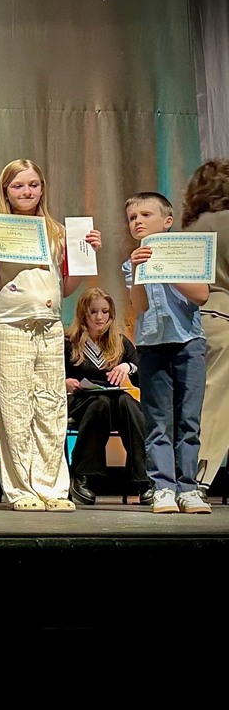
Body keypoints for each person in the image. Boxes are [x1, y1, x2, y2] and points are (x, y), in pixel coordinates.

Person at [0, 158, 102, 512]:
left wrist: (84, 253)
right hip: (10, 325)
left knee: (51, 407)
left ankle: (52, 488)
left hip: (49, 326)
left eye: (33, 184)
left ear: (42, 189)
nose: (27, 191)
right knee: (14, 408)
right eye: (18, 185)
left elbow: (67, 287)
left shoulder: (57, 232)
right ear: (6, 192)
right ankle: (22, 489)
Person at [124, 191, 210, 514]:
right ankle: (162, 486)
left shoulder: (187, 254)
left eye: (146, 215)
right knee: (158, 419)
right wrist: (139, 272)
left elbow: (201, 295)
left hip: (188, 341)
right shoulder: (132, 262)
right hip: (152, 345)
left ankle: (188, 487)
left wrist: (166, 267)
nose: (138, 221)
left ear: (167, 221)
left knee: (188, 418)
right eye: (133, 218)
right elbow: (139, 305)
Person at [64, 287, 152, 506]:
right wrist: (64, 382)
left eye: (104, 311)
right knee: (100, 403)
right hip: (81, 400)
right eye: (93, 311)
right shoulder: (69, 342)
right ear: (83, 314)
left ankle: (144, 479)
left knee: (127, 402)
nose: (99, 317)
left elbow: (142, 373)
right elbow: (50, 374)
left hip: (114, 400)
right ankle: (84, 475)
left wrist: (128, 367)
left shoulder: (119, 342)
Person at [180, 159, 229, 495]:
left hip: (193, 322)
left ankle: (180, 473)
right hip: (224, 320)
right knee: (216, 405)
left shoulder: (191, 228)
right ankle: (198, 477)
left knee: (194, 403)